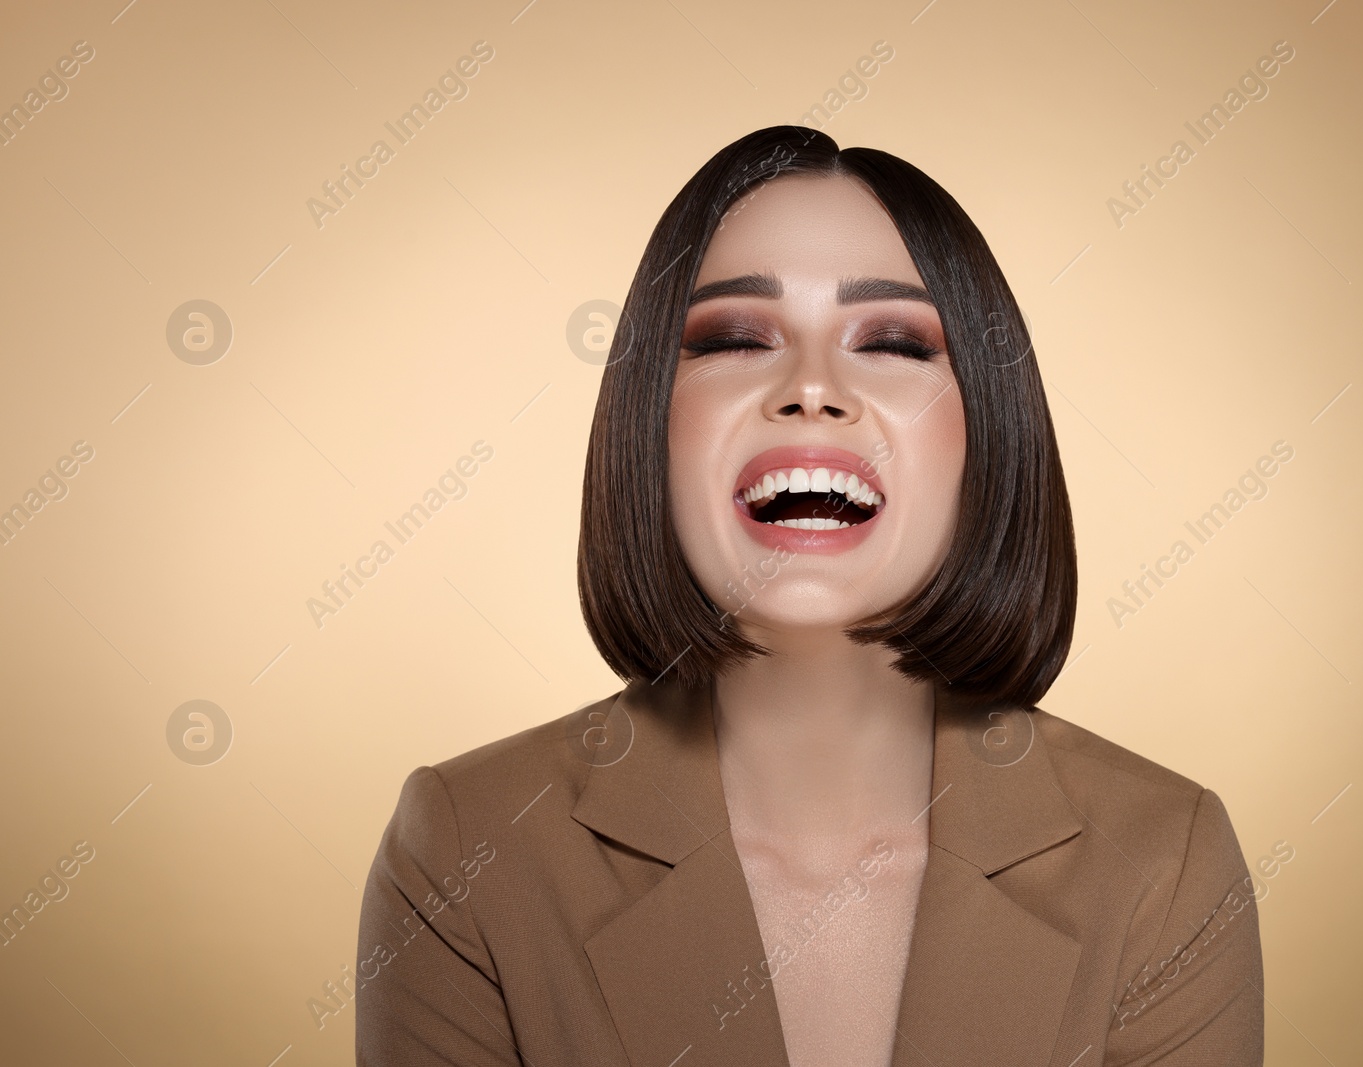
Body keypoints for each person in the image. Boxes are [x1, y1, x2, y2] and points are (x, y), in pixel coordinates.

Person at [355, 125, 1264, 1067]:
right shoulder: (467, 850)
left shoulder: (1164, 863)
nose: (812, 388)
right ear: (650, 428)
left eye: (895, 342)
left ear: (986, 431)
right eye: (739, 337)